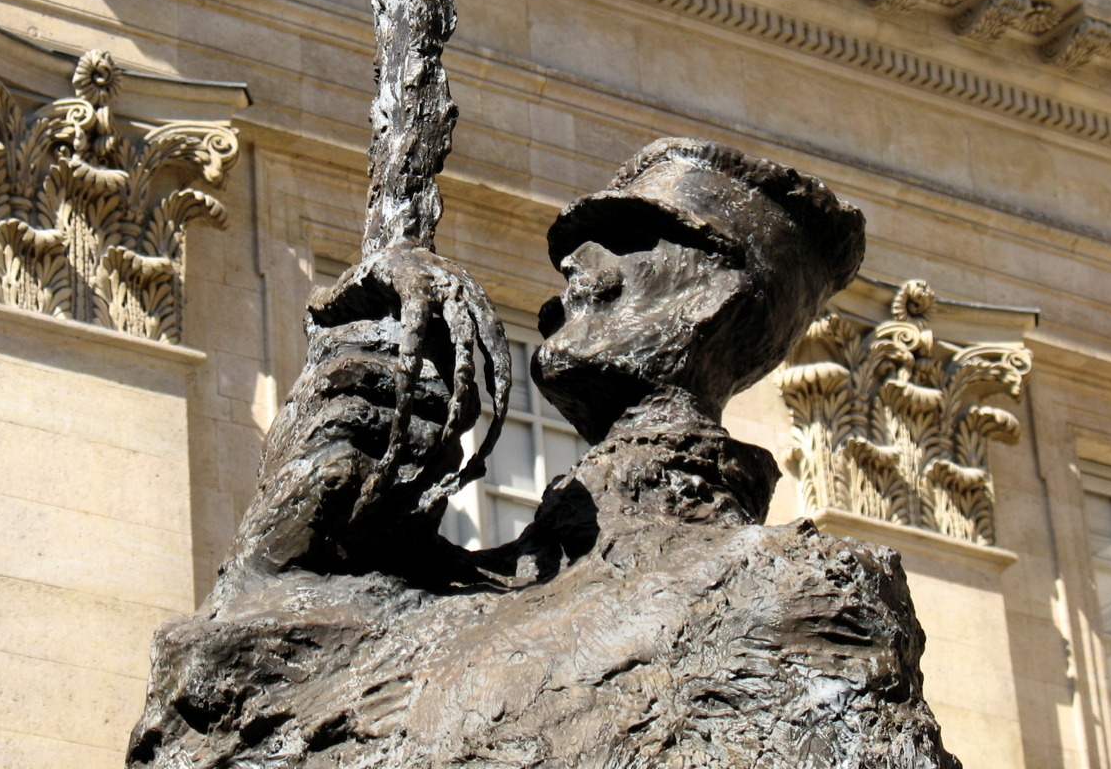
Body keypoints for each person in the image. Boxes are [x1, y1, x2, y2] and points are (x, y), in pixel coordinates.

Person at [128, 137, 960, 769]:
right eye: (577, 244)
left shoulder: (796, 597)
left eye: (631, 239)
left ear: (718, 293)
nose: (575, 266)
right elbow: (203, 740)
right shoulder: (427, 606)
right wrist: (285, 556)